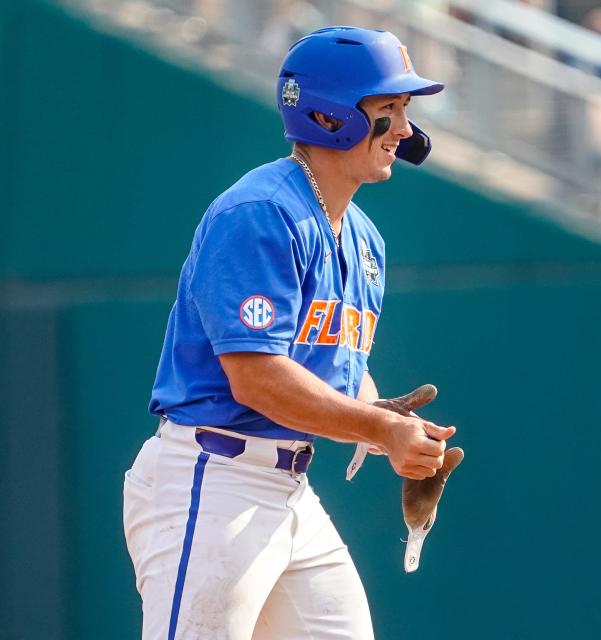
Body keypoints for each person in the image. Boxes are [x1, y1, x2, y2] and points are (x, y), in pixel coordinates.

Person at [123, 27, 455, 639]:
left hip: (286, 490)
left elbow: (333, 373)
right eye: (389, 111)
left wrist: (390, 429)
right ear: (331, 118)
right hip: (211, 476)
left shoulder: (364, 238)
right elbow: (255, 378)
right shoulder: (262, 212)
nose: (405, 131)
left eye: (405, 111)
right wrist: (379, 428)